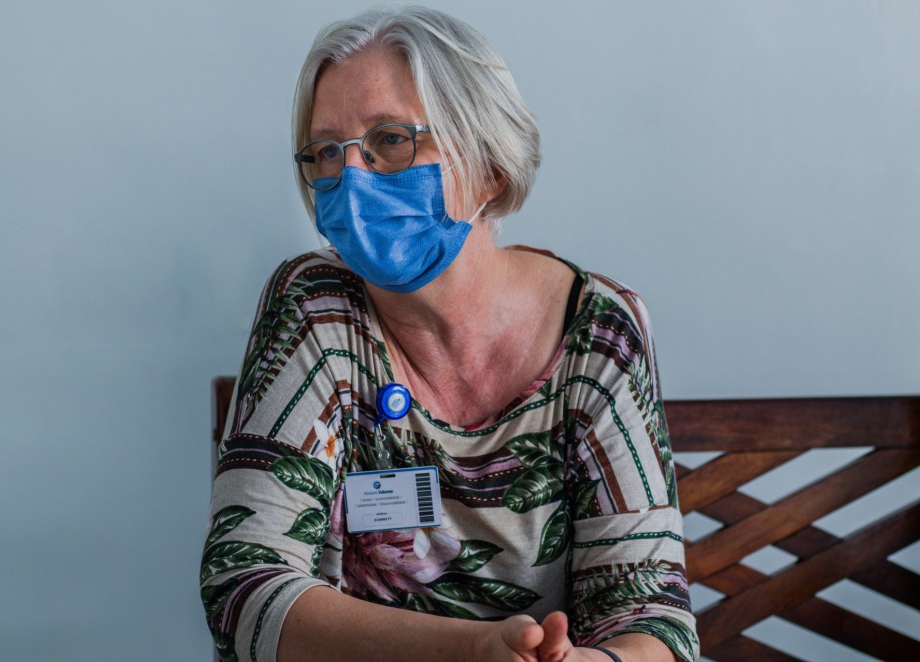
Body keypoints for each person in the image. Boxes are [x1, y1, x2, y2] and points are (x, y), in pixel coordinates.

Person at [201, 6, 698, 661]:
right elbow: (243, 586)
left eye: (390, 139)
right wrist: (471, 651)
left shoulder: (597, 330)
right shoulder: (316, 308)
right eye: (326, 151)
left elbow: (648, 609)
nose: (352, 179)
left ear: (490, 165)